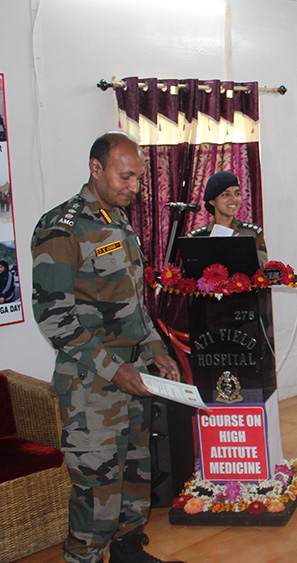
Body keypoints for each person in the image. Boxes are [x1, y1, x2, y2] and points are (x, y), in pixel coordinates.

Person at [30, 132, 184, 563]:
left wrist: (154, 348)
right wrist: (116, 370)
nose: (134, 187)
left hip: (133, 379)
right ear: (95, 168)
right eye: (126, 176)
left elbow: (132, 302)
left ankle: (129, 551)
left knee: (135, 481)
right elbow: (55, 319)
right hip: (91, 388)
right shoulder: (61, 228)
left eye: (139, 179)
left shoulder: (115, 218)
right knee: (97, 496)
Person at [186, 171, 268, 267]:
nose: (234, 199)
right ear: (212, 201)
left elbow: (262, 271)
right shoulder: (196, 237)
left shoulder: (251, 234)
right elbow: (190, 272)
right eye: (226, 194)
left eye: (237, 194)